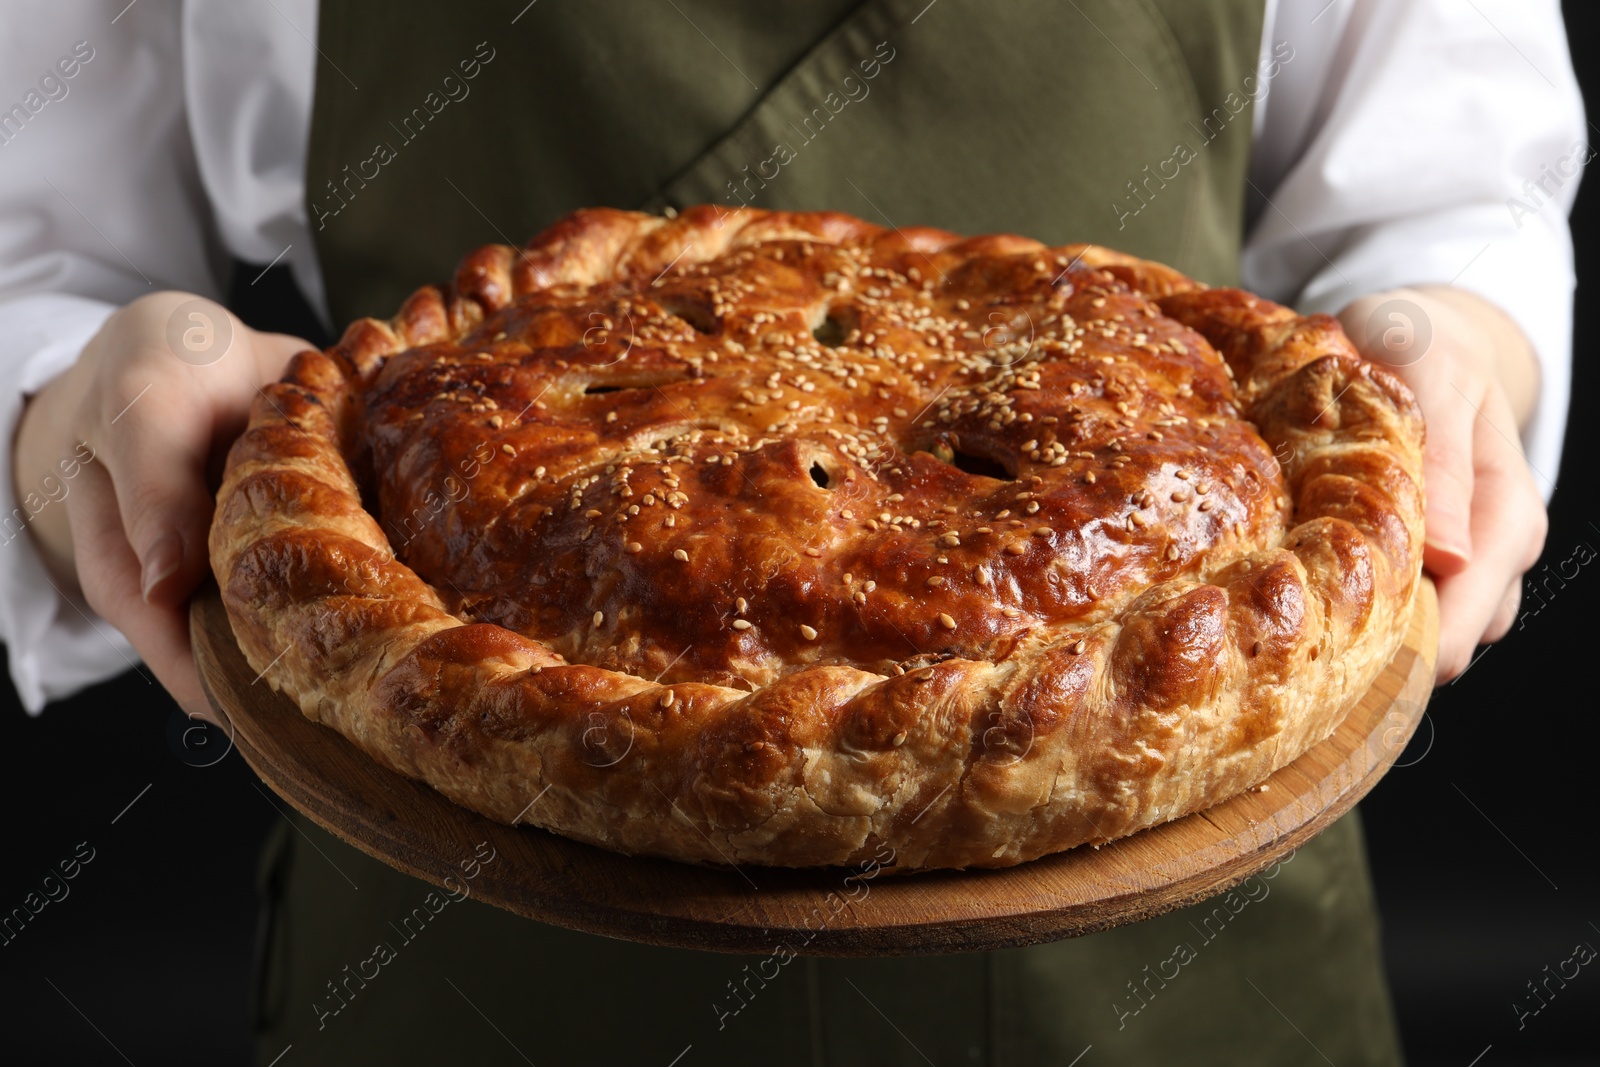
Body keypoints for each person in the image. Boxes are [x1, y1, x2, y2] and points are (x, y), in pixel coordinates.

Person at [0, 1, 1583, 1063]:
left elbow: (1450, 186)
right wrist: (81, 406)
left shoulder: (1214, 599)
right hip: (465, 968)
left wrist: (1449, 343)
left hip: (1195, 987)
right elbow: (31, 251)